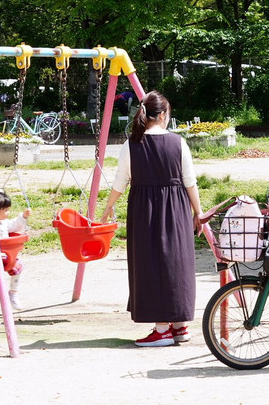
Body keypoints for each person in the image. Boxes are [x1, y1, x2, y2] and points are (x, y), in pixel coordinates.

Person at [100, 91, 203, 347]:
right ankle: (179, 325)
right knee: (176, 260)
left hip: (144, 209)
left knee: (149, 263)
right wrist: (198, 213)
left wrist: (108, 207)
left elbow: (120, 182)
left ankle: (162, 329)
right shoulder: (178, 143)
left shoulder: (131, 144)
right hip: (177, 208)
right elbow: (190, 181)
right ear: (164, 115)